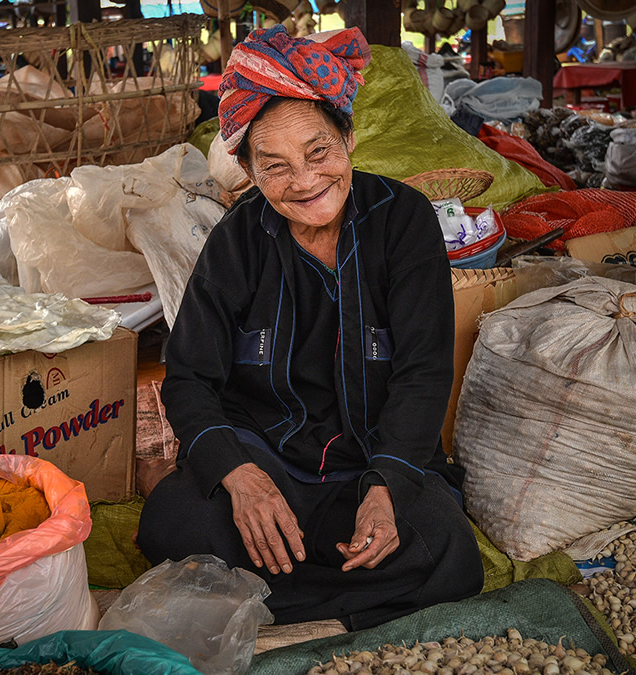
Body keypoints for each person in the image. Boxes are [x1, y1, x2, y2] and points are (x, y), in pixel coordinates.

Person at [137, 25, 484, 631]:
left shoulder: (402, 219)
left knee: (444, 544)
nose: (304, 181)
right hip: (271, 466)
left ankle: (266, 602)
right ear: (246, 169)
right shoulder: (238, 240)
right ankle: (352, 604)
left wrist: (388, 489)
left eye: (318, 153)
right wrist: (241, 479)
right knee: (171, 521)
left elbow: (423, 374)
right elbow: (189, 378)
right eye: (275, 166)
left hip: (372, 466)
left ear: (348, 139)